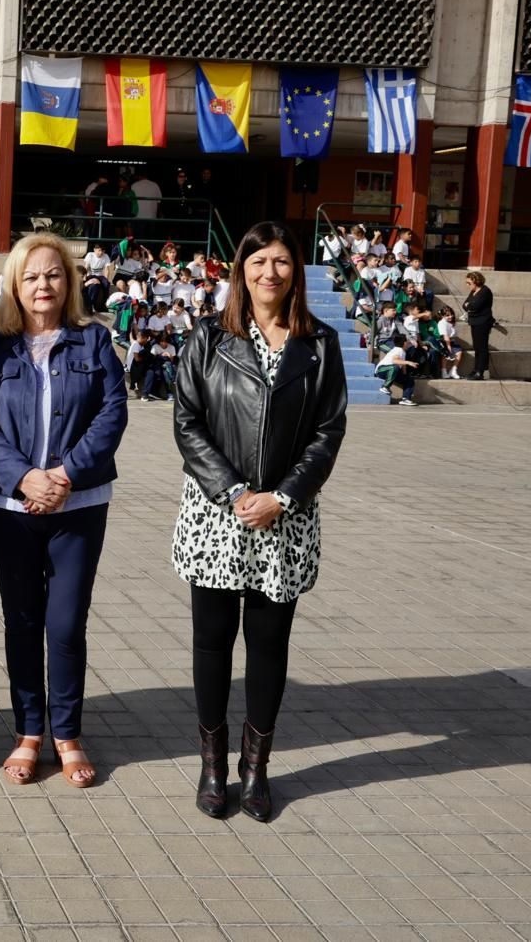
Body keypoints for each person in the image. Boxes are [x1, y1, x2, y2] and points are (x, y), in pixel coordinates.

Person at [171, 220, 347, 823]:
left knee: (269, 646)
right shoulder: (208, 339)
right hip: (217, 515)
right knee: (212, 642)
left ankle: (257, 769)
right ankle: (214, 765)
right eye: (258, 262)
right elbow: (188, 423)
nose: (269, 273)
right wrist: (234, 490)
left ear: (295, 271)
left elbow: (329, 432)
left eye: (281, 262)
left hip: (285, 520)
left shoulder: (319, 344)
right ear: (240, 271)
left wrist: (284, 496)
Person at [0, 234, 127, 788]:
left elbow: (112, 414)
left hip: (78, 505)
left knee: (64, 624)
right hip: (9, 505)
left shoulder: (94, 343)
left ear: (70, 282)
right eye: (32, 276)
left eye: (54, 275)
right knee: (22, 619)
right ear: (15, 283)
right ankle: (28, 732)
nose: (44, 285)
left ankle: (67, 733)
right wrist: (24, 477)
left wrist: (63, 476)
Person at [462, 271, 494, 380]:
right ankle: (475, 369)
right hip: (474, 322)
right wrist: (470, 305)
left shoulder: (485, 291)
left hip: (483, 322)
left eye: (469, 283)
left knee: (482, 347)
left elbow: (475, 306)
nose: (467, 285)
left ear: (476, 281)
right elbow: (465, 305)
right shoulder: (473, 291)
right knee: (476, 347)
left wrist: (470, 305)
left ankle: (480, 371)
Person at [375, 333, 417, 406]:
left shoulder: (403, 352)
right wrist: (408, 362)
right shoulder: (398, 350)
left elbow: (403, 365)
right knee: (395, 367)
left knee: (409, 380)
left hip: (392, 371)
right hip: (381, 370)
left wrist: (405, 375)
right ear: (404, 343)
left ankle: (406, 399)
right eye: (407, 341)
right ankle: (385, 387)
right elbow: (395, 361)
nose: (408, 343)